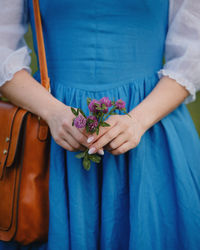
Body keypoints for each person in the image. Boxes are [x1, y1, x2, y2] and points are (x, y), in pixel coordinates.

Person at [0, 0, 200, 249]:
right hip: (51, 137)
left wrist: (138, 120)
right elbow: (2, 50)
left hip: (151, 129)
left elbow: (192, 51)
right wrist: (52, 112)